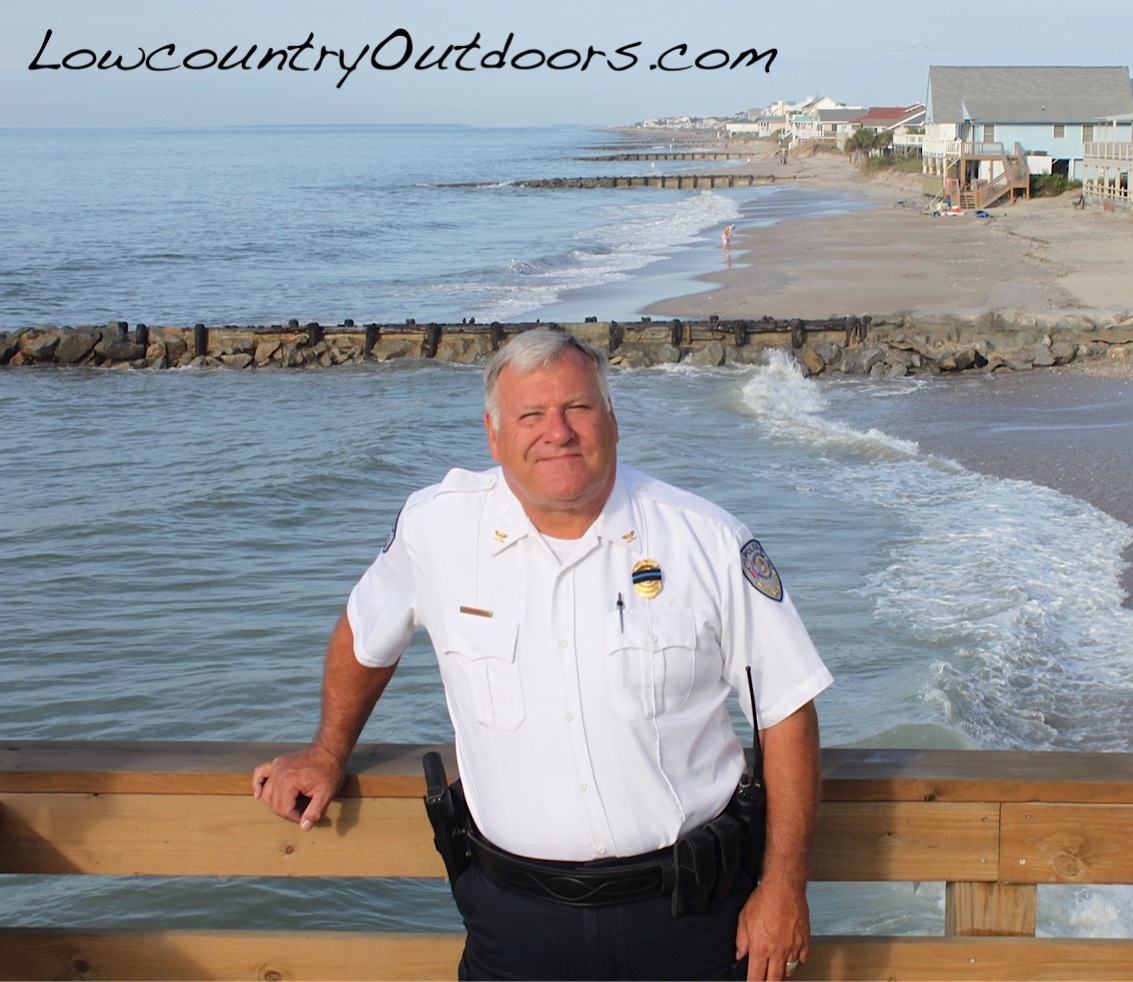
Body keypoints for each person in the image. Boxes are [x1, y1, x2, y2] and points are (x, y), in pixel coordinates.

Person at [252, 330, 832, 981]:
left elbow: (786, 706)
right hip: (513, 922)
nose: (557, 432)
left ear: (611, 420)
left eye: (577, 408)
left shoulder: (708, 541)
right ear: (493, 435)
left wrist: (784, 886)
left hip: (691, 918)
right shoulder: (438, 530)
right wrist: (328, 752)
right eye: (530, 415)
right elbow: (365, 636)